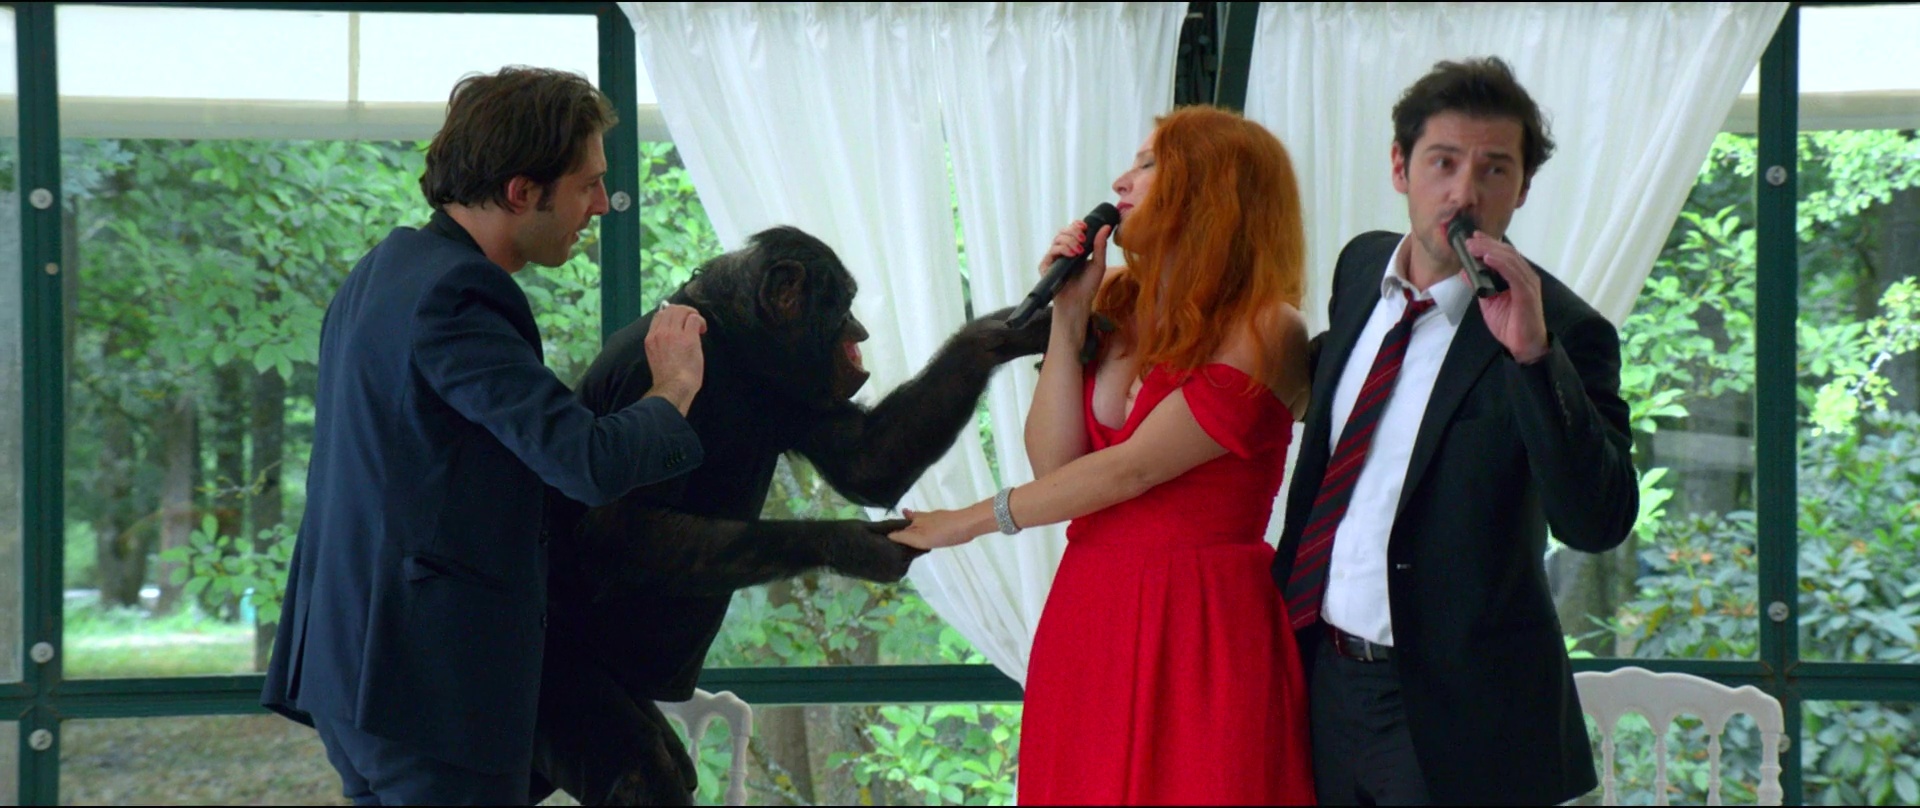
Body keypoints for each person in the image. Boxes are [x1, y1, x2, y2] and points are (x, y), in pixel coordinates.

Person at [261, 66, 709, 806]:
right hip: (427, 693)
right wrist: (675, 387)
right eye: (588, 184)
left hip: (355, 676)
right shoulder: (458, 294)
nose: (602, 204)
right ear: (521, 191)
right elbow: (585, 461)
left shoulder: (384, 269)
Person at [891, 105, 1317, 805]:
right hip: (1092, 606)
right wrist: (1069, 317)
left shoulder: (1267, 326)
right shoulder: (1114, 303)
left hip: (1202, 620)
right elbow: (1056, 468)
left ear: (1211, 187)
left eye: (1148, 165)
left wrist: (963, 522)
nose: (1122, 181)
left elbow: (1131, 468)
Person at [1271, 57, 1637, 806]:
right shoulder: (1360, 268)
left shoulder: (1565, 330)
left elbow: (1597, 523)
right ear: (1400, 167)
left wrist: (1533, 358)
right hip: (1321, 680)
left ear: (1523, 189)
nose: (1465, 192)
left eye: (1495, 170)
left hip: (1463, 719)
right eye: (1443, 162)